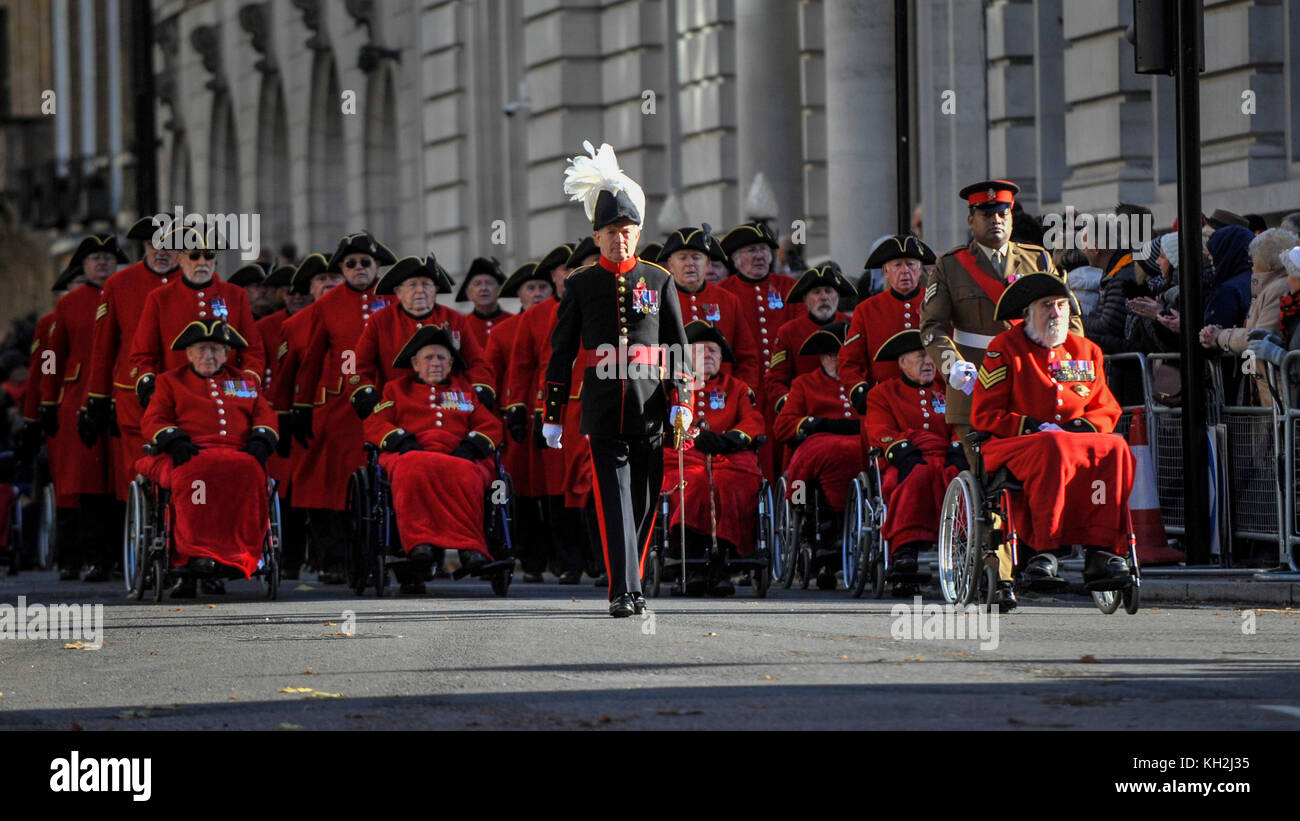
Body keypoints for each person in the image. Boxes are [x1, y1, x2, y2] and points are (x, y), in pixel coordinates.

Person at [543, 141, 693, 617]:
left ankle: (636, 580)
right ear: (597, 235)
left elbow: (678, 347)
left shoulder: (659, 279)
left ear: (638, 232)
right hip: (604, 407)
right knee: (615, 503)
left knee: (646, 502)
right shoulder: (581, 284)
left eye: (627, 231)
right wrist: (552, 413)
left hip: (650, 408)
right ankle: (622, 592)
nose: (619, 239)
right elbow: (561, 350)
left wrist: (682, 399)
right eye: (611, 231)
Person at [970, 273, 1134, 608]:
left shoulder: (1086, 350)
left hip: (1072, 439)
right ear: (1028, 313)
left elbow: (1106, 406)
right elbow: (986, 415)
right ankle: (1043, 552)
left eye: (1061, 304)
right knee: (1053, 447)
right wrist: (1030, 426)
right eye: (1047, 306)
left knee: (1115, 447)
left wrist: (1084, 426)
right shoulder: (1003, 349)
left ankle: (1101, 551)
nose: (1056, 313)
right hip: (1014, 443)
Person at [920, 179, 1079, 461]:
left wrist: (1070, 365)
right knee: (987, 473)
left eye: (1002, 213)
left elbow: (1069, 316)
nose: (996, 220)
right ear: (971, 220)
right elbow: (933, 327)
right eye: (986, 214)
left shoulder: (1037, 260)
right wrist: (953, 365)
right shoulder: (950, 266)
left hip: (1031, 382)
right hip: (977, 382)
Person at [283, 231, 396, 583]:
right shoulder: (326, 305)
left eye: (366, 262)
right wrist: (299, 405)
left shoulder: (394, 299)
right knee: (328, 487)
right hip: (336, 406)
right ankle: (333, 559)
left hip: (386, 404)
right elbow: (311, 356)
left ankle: (383, 553)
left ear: (377, 266)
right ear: (342, 269)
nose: (359, 268)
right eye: (351, 264)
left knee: (385, 479)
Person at [137, 320, 278, 598]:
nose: (208, 356)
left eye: (215, 350)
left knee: (251, 472)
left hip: (238, 453)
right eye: (201, 349)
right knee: (196, 475)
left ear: (227, 354)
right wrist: (173, 438)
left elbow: (264, 415)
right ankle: (193, 554)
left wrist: (262, 439)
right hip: (190, 452)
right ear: (188, 353)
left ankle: (240, 554)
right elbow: (154, 419)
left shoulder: (245, 382)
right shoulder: (169, 381)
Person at [363, 326, 502, 594]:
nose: (435, 363)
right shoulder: (395, 389)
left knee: (466, 471)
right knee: (412, 466)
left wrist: (472, 445)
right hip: (410, 452)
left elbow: (491, 425)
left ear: (451, 363)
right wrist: (400, 439)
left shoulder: (466, 391)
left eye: (441, 357)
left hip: (459, 455)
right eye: (428, 358)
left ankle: (469, 546)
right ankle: (419, 543)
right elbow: (376, 423)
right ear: (415, 363)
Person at [40, 234, 125, 581]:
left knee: (121, 477)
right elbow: (50, 356)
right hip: (79, 398)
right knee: (89, 480)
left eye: (107, 257)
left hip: (121, 394)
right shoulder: (69, 305)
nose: (102, 262)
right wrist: (47, 400)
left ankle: (124, 554)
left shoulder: (128, 292)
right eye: (94, 258)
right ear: (84, 266)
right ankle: (94, 556)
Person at [82, 216, 180, 507]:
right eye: (153, 244)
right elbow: (104, 347)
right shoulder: (118, 284)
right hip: (133, 395)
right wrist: (97, 399)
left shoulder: (196, 283)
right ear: (144, 246)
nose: (161, 251)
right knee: (137, 473)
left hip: (184, 392)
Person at [663, 321, 765, 596]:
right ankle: (691, 566)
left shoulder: (738, 388)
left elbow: (753, 420)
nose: (708, 355)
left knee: (731, 483)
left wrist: (733, 438)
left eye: (714, 351)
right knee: (693, 483)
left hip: (727, 455)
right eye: (700, 350)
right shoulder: (672, 385)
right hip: (685, 456)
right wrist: (693, 435)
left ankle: (723, 566)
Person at [864, 330, 964, 579]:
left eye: (931, 356)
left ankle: (959, 542)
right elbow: (879, 430)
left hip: (943, 458)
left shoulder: (948, 389)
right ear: (902, 363)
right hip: (903, 460)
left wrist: (956, 446)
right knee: (916, 477)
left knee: (957, 479)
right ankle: (904, 548)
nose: (929, 361)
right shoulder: (883, 394)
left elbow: (960, 425)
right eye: (921, 356)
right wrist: (903, 448)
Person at [772, 322, 862, 590]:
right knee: (813, 465)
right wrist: (812, 424)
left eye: (845, 355)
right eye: (835, 355)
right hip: (813, 462)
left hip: (856, 453)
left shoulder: (860, 386)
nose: (840, 360)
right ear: (823, 357)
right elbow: (783, 426)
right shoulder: (805, 384)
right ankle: (822, 528)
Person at [488, 261, 555, 583]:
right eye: (531, 288)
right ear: (519, 295)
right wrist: (508, 411)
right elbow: (498, 377)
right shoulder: (502, 331)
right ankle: (529, 558)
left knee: (556, 492)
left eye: (543, 287)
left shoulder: (558, 319)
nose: (538, 293)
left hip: (551, 417)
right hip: (519, 421)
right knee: (523, 495)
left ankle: (564, 558)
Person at [838, 235, 937, 413]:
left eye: (911, 264)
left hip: (932, 403)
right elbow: (849, 360)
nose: (905, 271)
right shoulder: (866, 310)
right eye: (898, 265)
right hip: (884, 404)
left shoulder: (937, 303)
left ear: (921, 267)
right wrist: (860, 392)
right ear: (885, 270)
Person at [1199, 228, 1298, 403]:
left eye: (1254, 261)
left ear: (1266, 264)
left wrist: (1220, 336)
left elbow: (1258, 337)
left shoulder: (1277, 288)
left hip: (1278, 391)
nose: (1251, 266)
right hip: (1267, 386)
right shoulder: (1266, 286)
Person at [659, 224, 761, 387]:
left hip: (723, 401)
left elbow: (747, 357)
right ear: (670, 265)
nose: (690, 263)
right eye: (683, 257)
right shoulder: (660, 302)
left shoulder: (728, 301)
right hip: (676, 396)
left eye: (696, 257)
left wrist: (740, 394)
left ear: (707, 264)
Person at [766, 262, 854, 413]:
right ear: (805, 299)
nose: (824, 297)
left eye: (829, 291)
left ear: (838, 296)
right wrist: (791, 406)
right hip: (807, 412)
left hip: (848, 410)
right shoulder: (789, 332)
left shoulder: (853, 325)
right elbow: (776, 380)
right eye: (816, 292)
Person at [456, 256, 513, 349]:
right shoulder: (461, 327)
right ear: (469, 293)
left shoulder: (514, 323)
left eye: (489, 283)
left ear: (499, 289)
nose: (484, 288)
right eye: (477, 284)